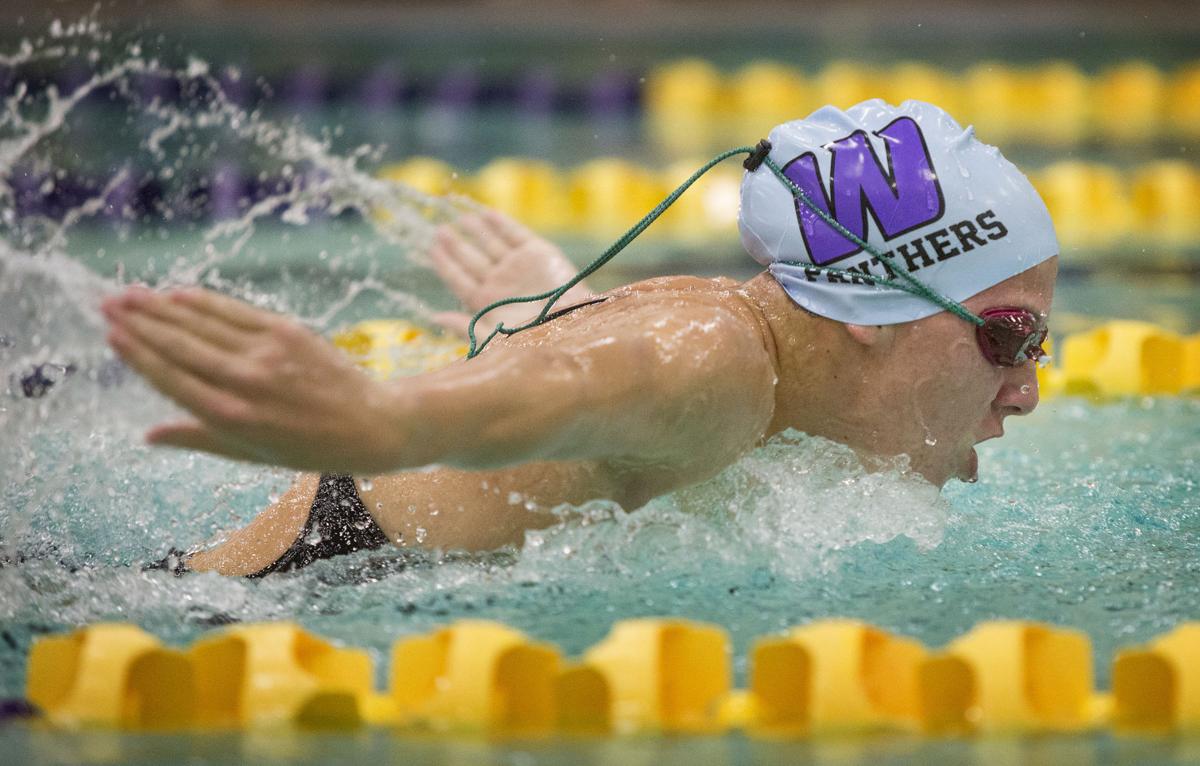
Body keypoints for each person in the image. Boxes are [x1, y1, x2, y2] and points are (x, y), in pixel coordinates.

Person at [104, 100, 1058, 577]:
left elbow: (603, 383)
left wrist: (555, 313)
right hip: (250, 615)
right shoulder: (715, 364)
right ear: (869, 313)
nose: (1027, 389)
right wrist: (381, 416)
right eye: (1011, 337)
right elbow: (609, 381)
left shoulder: (739, 353)